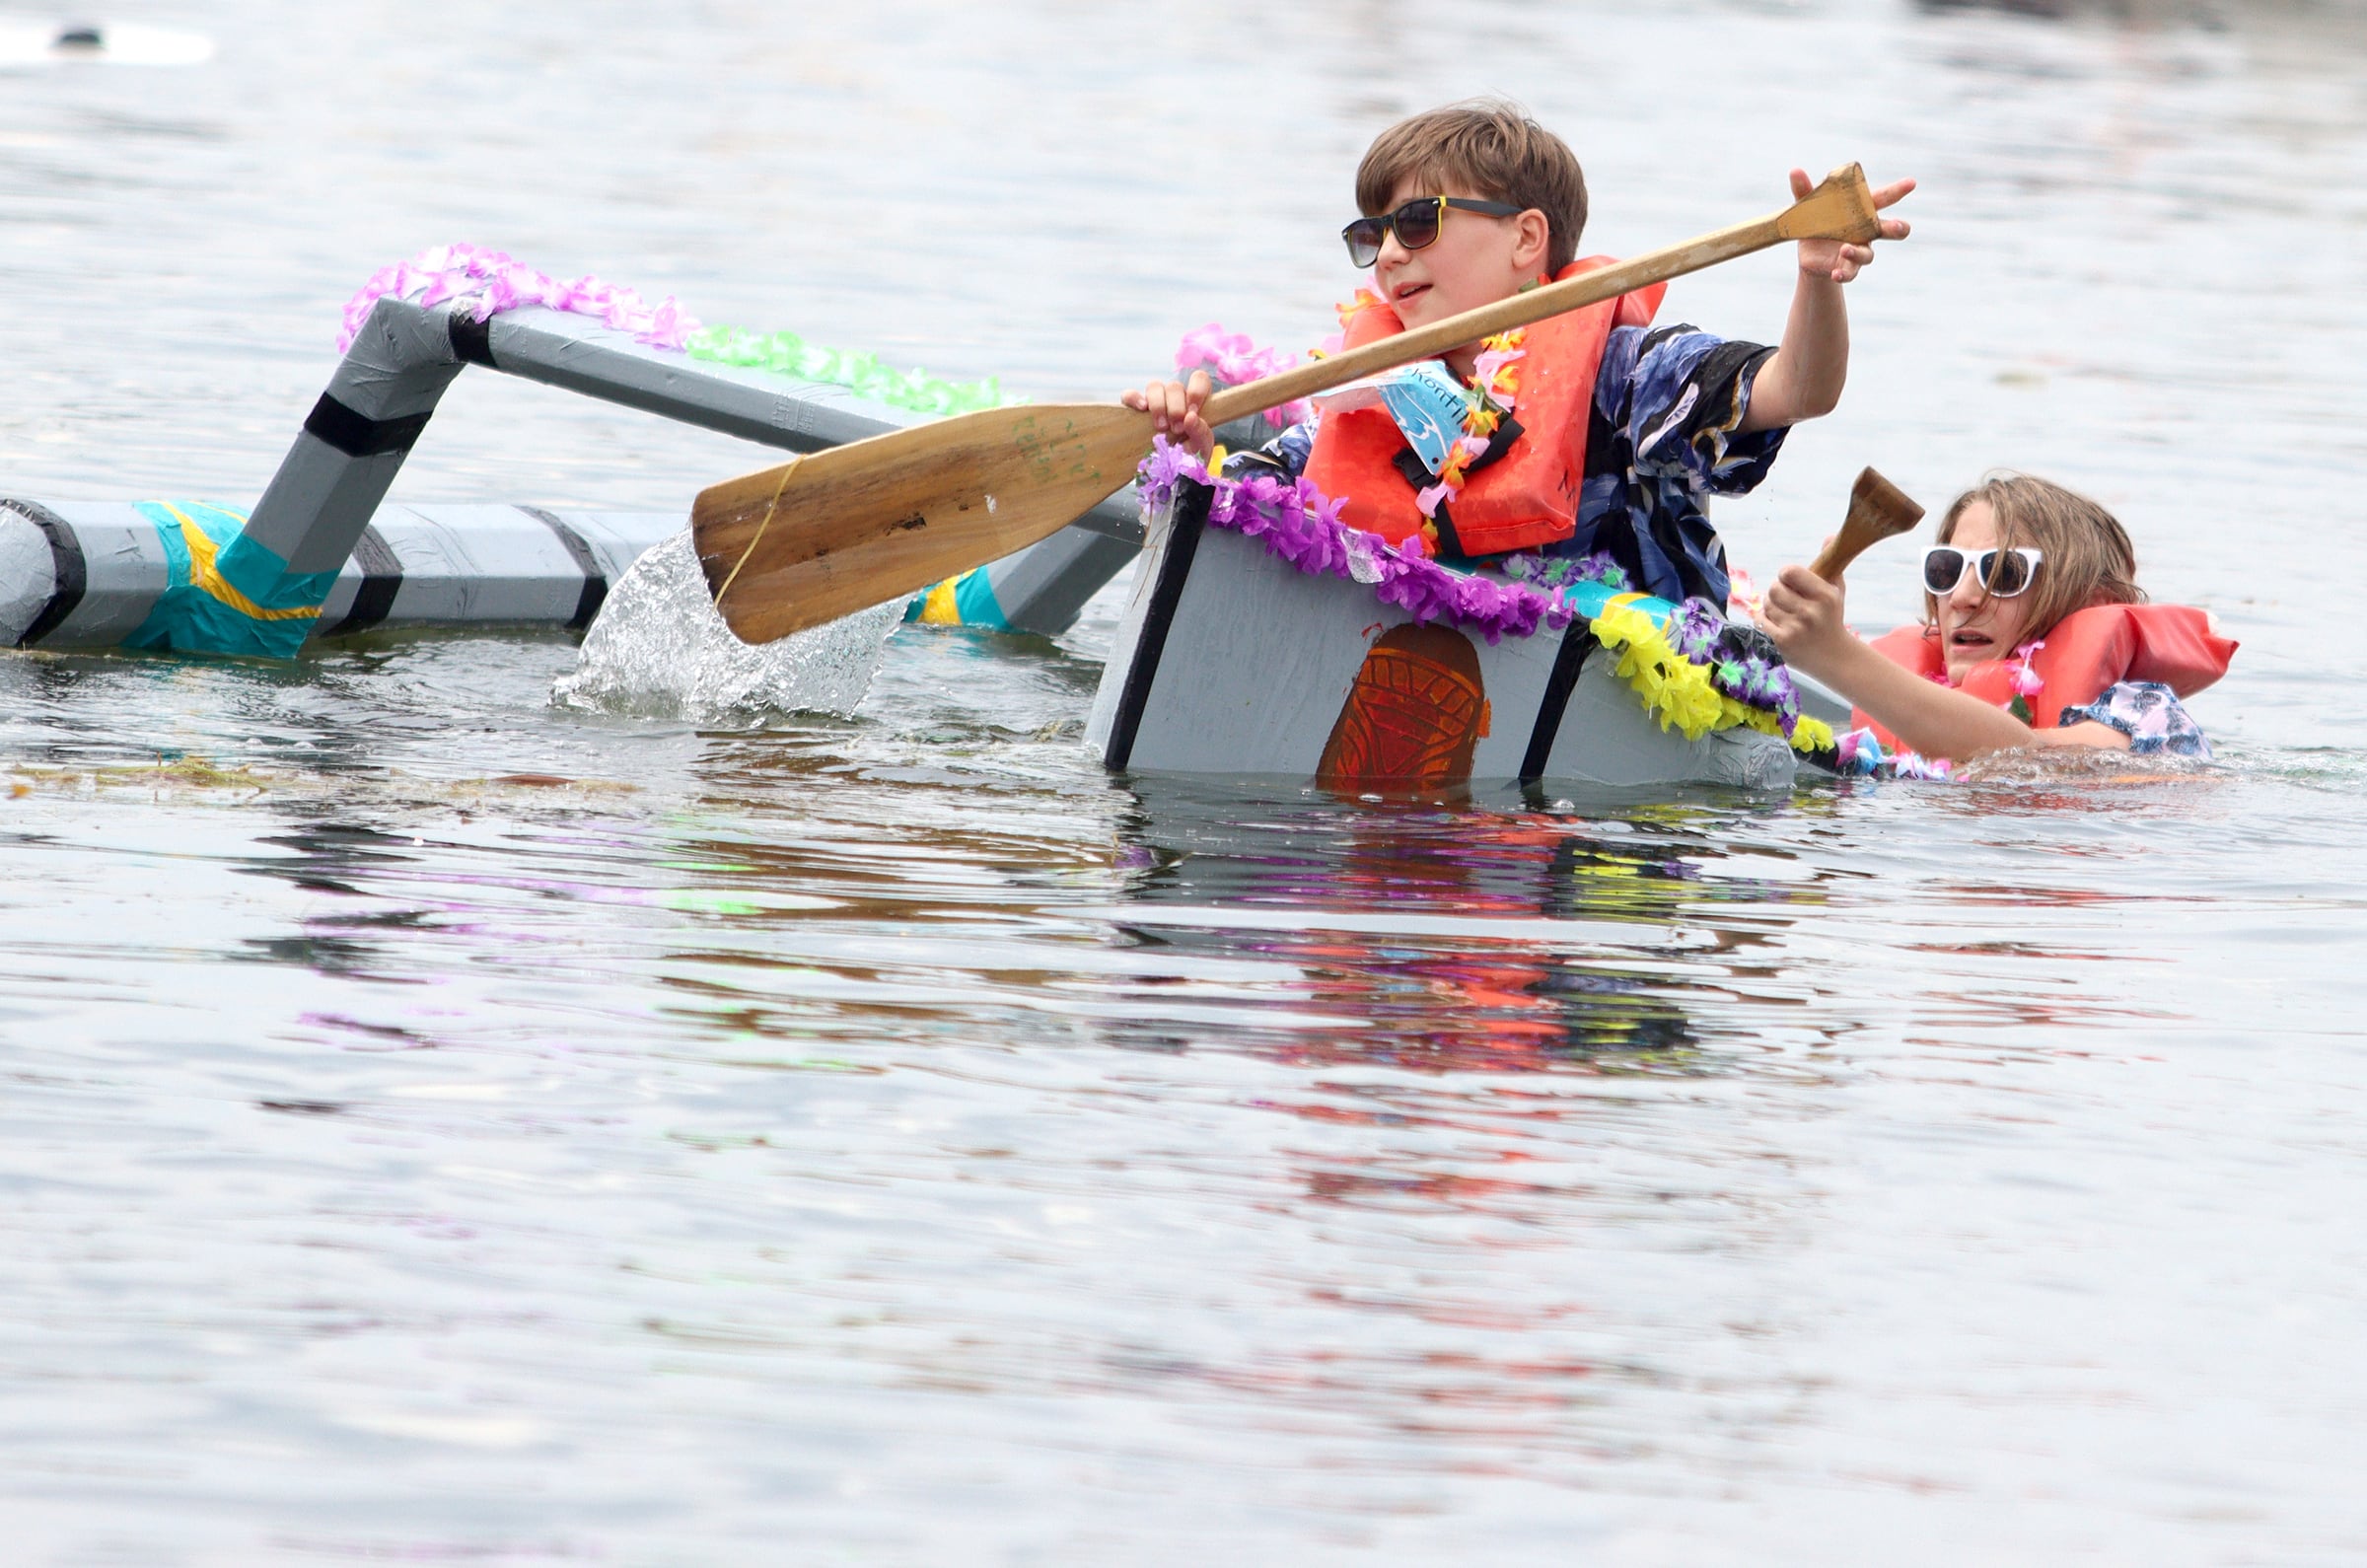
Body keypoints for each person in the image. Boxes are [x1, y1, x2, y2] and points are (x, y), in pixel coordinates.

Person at [1121, 99, 1914, 606]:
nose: (1390, 254)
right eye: (1372, 236)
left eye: (1419, 222)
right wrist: (1192, 457)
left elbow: (1794, 390)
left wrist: (1817, 281)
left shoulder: (1625, 370)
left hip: (1615, 718)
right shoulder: (1368, 393)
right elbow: (1240, 522)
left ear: (1526, 238)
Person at [1761, 473, 2238, 765]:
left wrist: (1834, 656)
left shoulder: (2148, 716)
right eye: (1946, 571)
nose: (1963, 598)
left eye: (2003, 572)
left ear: (2094, 602)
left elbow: (2022, 755)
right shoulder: (1891, 712)